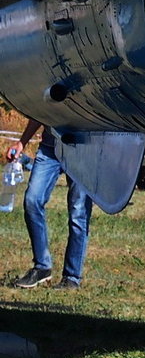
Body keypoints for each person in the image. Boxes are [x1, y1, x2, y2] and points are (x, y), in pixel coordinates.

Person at [8, 119, 93, 289]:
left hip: (84, 150)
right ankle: (42, 267)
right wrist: (21, 142)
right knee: (32, 200)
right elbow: (39, 110)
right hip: (50, 148)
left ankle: (72, 277)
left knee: (78, 212)